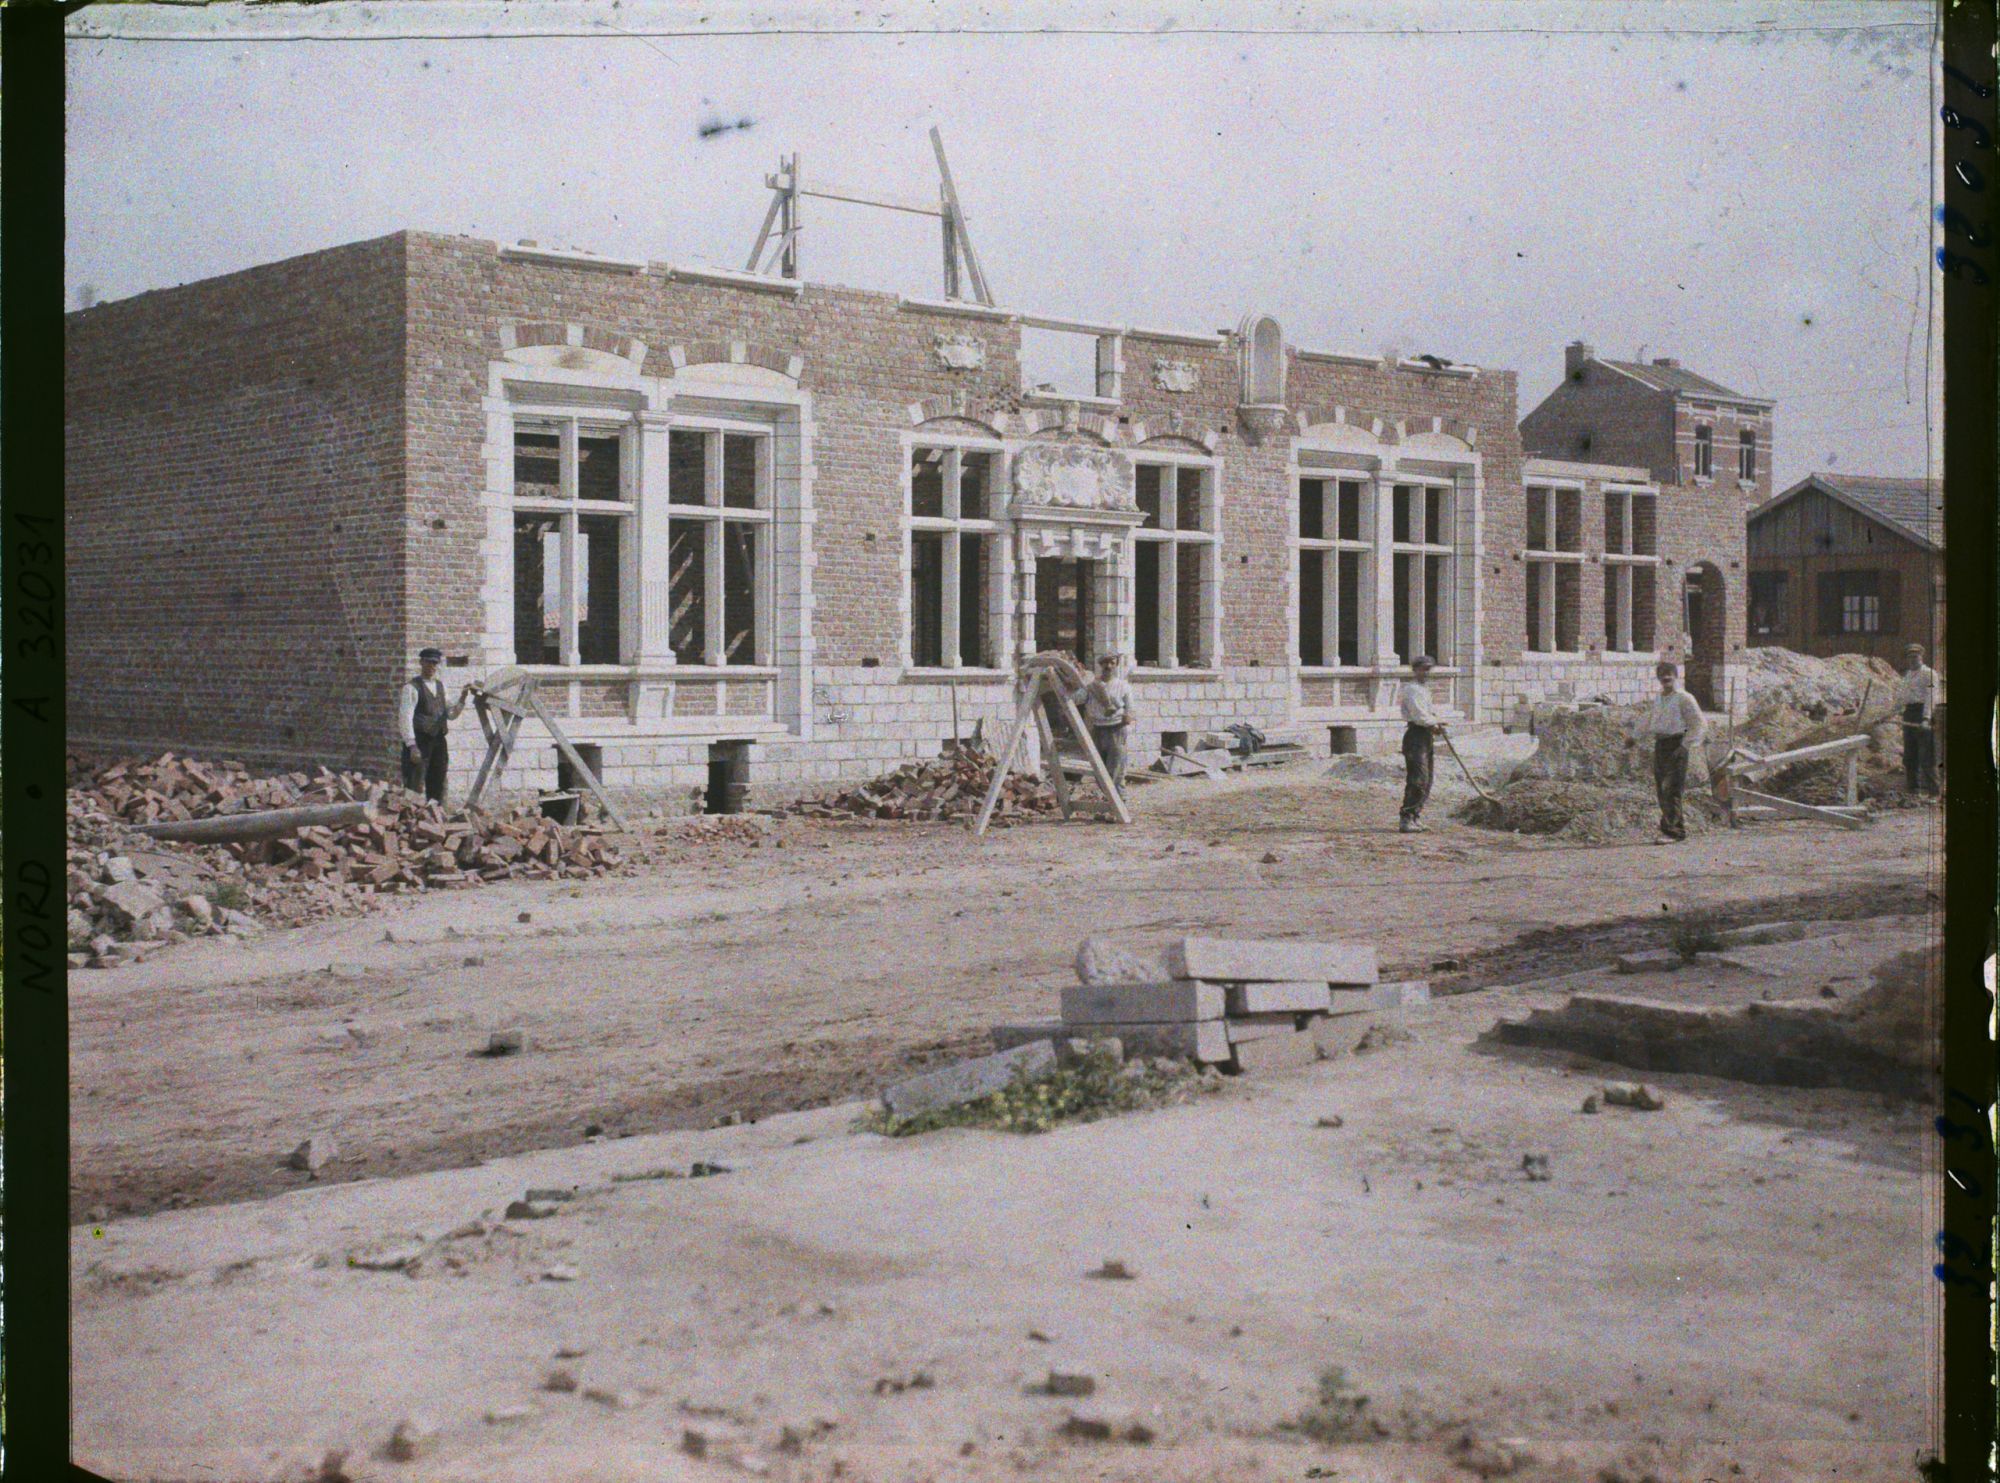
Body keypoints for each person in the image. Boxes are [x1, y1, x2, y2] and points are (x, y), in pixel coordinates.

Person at [398, 647, 473, 805]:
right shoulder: (411, 688)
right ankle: (410, 820)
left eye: (435, 663)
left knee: (438, 780)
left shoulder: (441, 687)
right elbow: (405, 717)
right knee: (414, 783)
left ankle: (434, 819)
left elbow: (451, 715)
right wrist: (411, 746)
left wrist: (462, 698)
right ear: (421, 663)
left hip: (438, 741)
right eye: (428, 662)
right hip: (419, 741)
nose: (432, 667)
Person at [1646, 659, 1705, 842]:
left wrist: (1685, 745)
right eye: (1662, 678)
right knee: (1661, 789)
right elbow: (1650, 720)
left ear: (1676, 677)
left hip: (1676, 744)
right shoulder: (1659, 698)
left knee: (1671, 788)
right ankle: (1667, 828)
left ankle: (1675, 831)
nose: (1666, 681)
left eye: (1669, 677)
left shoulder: (1684, 698)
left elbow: (1699, 724)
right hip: (1661, 745)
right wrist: (1635, 737)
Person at [1398, 656, 1444, 833]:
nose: (1426, 673)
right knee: (1418, 779)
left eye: (1429, 669)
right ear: (1415, 670)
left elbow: (1427, 713)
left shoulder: (1424, 690)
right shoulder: (1412, 690)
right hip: (1416, 736)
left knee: (1427, 779)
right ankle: (1406, 818)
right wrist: (1433, 723)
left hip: (1425, 736)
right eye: (1423, 669)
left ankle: (1415, 816)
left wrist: (1436, 723)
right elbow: (1419, 715)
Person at [1079, 652, 1134, 794]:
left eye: (1112, 663)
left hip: (1116, 729)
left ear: (1116, 665)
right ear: (1100, 664)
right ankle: (1107, 802)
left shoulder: (1123, 686)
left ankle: (1119, 806)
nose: (1108, 666)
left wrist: (1126, 717)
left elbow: (1130, 709)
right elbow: (1077, 699)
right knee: (1099, 769)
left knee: (1116, 770)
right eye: (1105, 663)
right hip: (1097, 729)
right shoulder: (1091, 686)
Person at [1896, 643, 1939, 796]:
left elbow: (1931, 696)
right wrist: (1892, 712)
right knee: (1910, 754)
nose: (1913, 660)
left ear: (1921, 657)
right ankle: (1913, 791)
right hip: (1909, 714)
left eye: (1915, 656)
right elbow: (1902, 697)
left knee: (1927, 754)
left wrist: (1926, 718)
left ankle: (1934, 792)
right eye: (1910, 657)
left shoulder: (1929, 674)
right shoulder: (1907, 675)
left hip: (1923, 714)